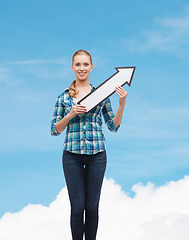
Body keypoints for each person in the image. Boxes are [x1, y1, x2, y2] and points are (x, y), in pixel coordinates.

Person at [50, 49, 127, 240]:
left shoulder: (101, 94)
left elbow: (113, 126)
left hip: (97, 155)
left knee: (92, 207)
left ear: (91, 67)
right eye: (78, 64)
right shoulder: (64, 98)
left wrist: (122, 103)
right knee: (77, 208)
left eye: (85, 64)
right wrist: (70, 114)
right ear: (72, 68)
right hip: (72, 155)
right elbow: (54, 129)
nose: (82, 68)